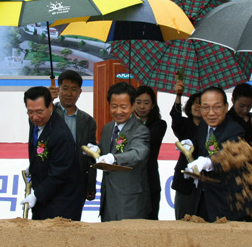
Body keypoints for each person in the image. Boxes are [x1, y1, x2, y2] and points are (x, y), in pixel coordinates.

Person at [183, 86, 252, 223]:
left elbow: (227, 154)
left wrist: (207, 162)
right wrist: (190, 145)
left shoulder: (234, 130)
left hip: (227, 204)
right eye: (205, 107)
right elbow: (201, 147)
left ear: (226, 107)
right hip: (204, 199)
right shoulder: (204, 125)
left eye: (216, 107)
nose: (211, 113)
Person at [86, 82, 150, 221]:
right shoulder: (108, 128)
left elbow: (137, 154)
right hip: (108, 199)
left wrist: (113, 158)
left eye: (123, 107)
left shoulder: (140, 130)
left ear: (133, 106)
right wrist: (95, 151)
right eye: (114, 106)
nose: (118, 111)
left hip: (130, 202)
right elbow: (104, 152)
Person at [20, 86, 83, 220]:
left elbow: (59, 176)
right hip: (44, 193)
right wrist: (34, 166)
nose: (35, 117)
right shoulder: (35, 122)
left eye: (39, 111)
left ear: (50, 106)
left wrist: (36, 195)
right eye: (30, 112)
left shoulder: (60, 135)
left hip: (62, 202)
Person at [51, 69, 98, 209]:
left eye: (73, 89)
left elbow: (91, 155)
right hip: (51, 179)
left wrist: (90, 184)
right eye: (65, 88)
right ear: (58, 90)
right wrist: (47, 100)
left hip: (77, 181)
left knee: (73, 225)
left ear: (80, 92)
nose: (69, 93)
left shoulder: (88, 121)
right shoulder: (48, 114)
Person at [134, 85, 168, 220]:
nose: (142, 106)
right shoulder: (126, 124)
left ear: (153, 105)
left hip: (150, 180)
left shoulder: (159, 124)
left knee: (151, 220)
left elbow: (146, 141)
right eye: (138, 102)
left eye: (146, 103)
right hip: (131, 180)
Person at [170, 82, 201, 220]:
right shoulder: (184, 123)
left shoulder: (210, 127)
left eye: (202, 103)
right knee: (183, 219)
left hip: (204, 180)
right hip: (185, 180)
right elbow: (175, 118)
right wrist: (178, 95)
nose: (198, 106)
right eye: (195, 103)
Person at [227, 82, 252, 147]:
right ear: (233, 100)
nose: (245, 110)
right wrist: (250, 125)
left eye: (249, 106)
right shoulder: (226, 119)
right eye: (241, 106)